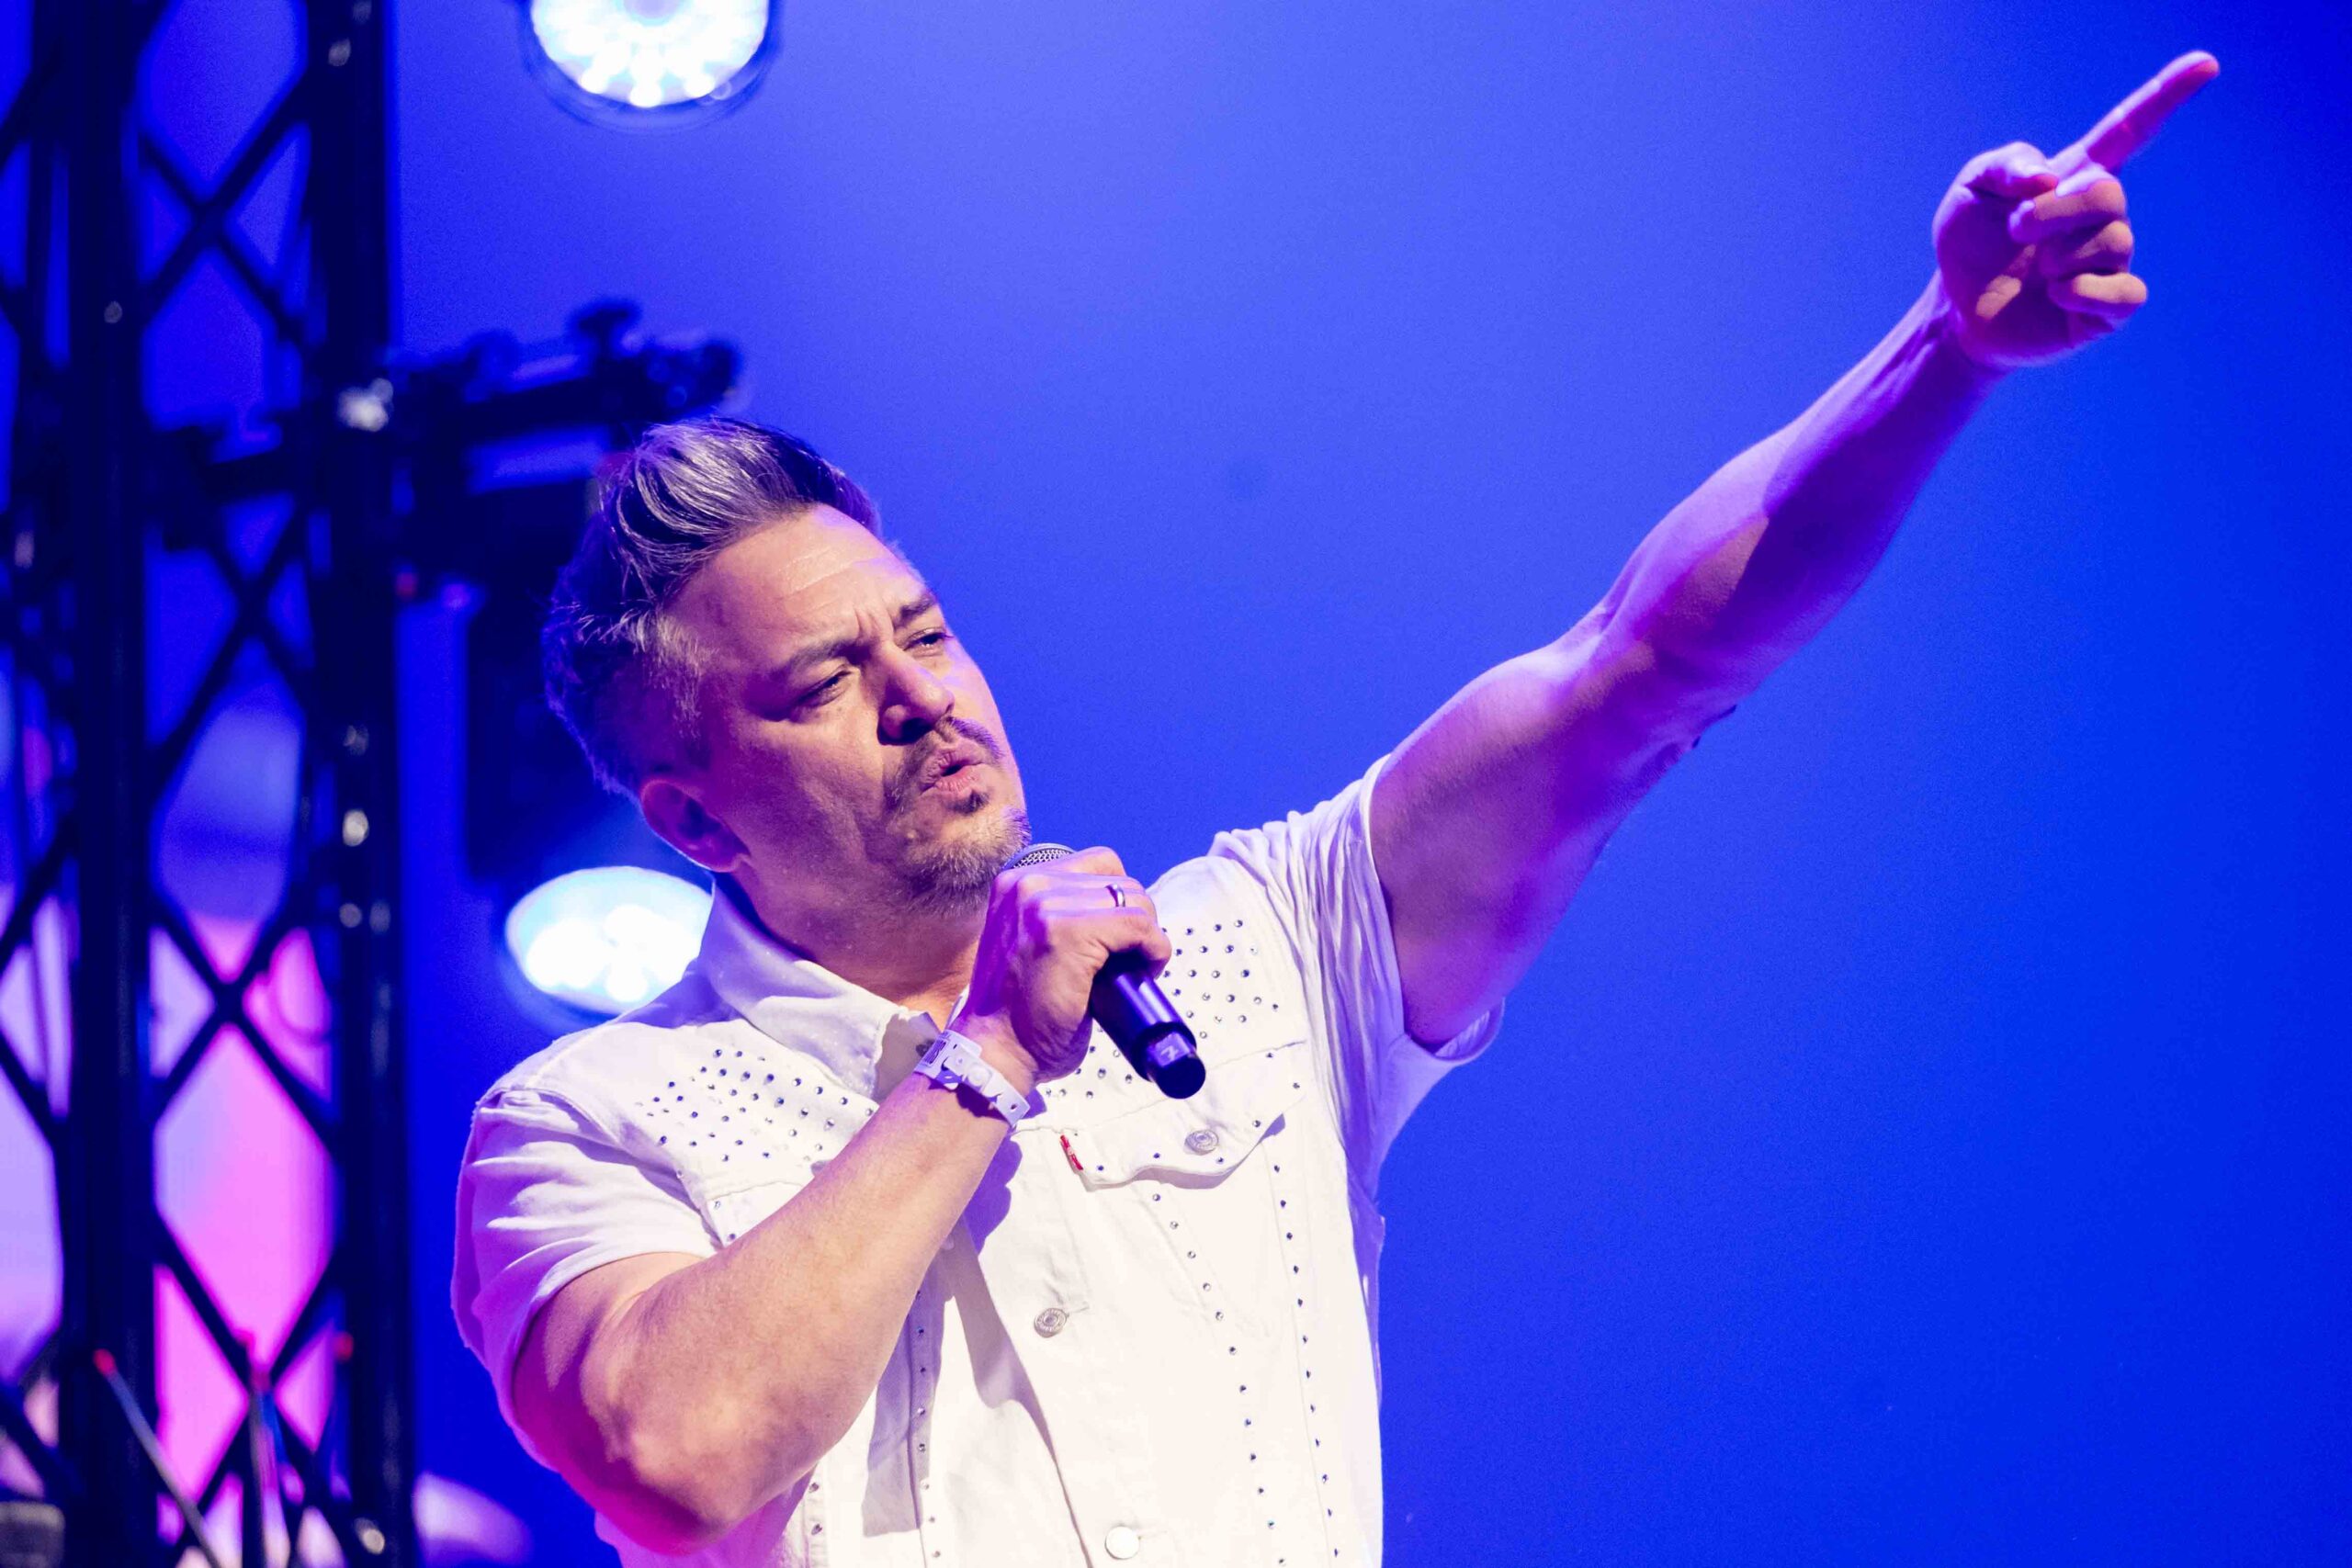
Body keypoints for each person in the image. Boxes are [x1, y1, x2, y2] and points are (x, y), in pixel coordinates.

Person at [451, 51, 2218, 1567]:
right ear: (693, 821)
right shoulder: (587, 1120)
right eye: (823, 684)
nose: (921, 696)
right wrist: (985, 1054)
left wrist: (1943, 355)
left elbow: (1641, 663)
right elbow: (678, 1457)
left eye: (923, 631)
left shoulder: (1260, 946)